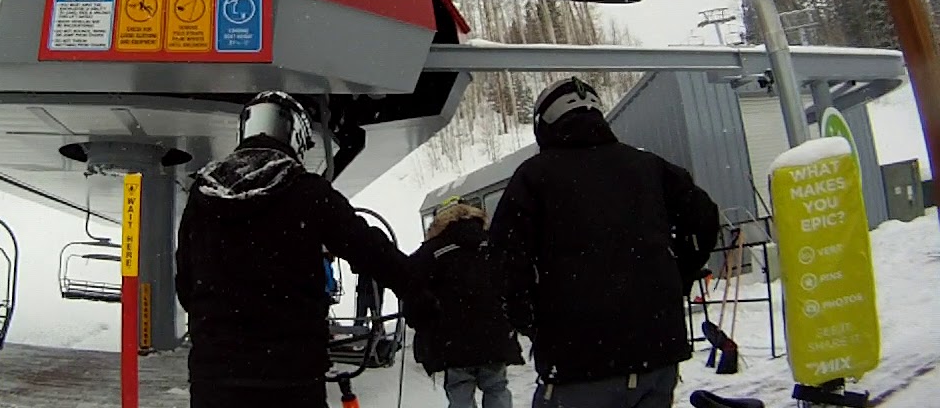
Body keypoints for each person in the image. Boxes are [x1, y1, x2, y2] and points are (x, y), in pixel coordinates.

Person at [175, 90, 434, 408]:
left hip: (215, 377)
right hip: (290, 375)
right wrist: (420, 294)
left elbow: (185, 285)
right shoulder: (308, 192)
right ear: (296, 136)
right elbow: (371, 250)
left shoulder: (202, 196)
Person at [487, 77, 720, 408]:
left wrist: (533, 320)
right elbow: (704, 219)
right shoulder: (649, 166)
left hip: (579, 359)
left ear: (545, 124)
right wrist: (672, 278)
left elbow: (503, 263)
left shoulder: (534, 176)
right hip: (657, 350)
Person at [409, 198, 524, 408]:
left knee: (460, 389)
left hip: (453, 340)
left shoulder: (432, 252)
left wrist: (419, 322)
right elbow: (514, 282)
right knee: (496, 386)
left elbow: (413, 289)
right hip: (494, 335)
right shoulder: (494, 243)